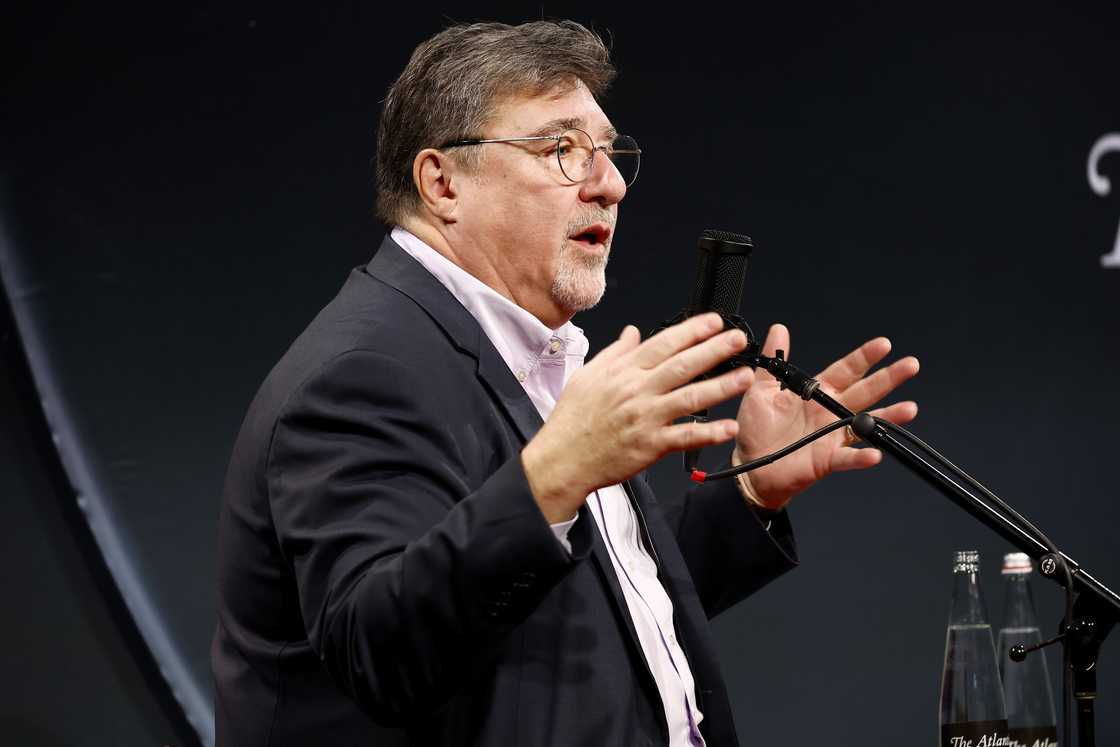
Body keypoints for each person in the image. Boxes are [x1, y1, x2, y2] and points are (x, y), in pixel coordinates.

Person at [211, 20, 920, 747]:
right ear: (442, 181)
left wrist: (747, 494)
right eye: (561, 149)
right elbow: (382, 651)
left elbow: (581, 605)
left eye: (609, 154)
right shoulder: (362, 373)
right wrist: (558, 471)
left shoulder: (529, 350)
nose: (610, 184)